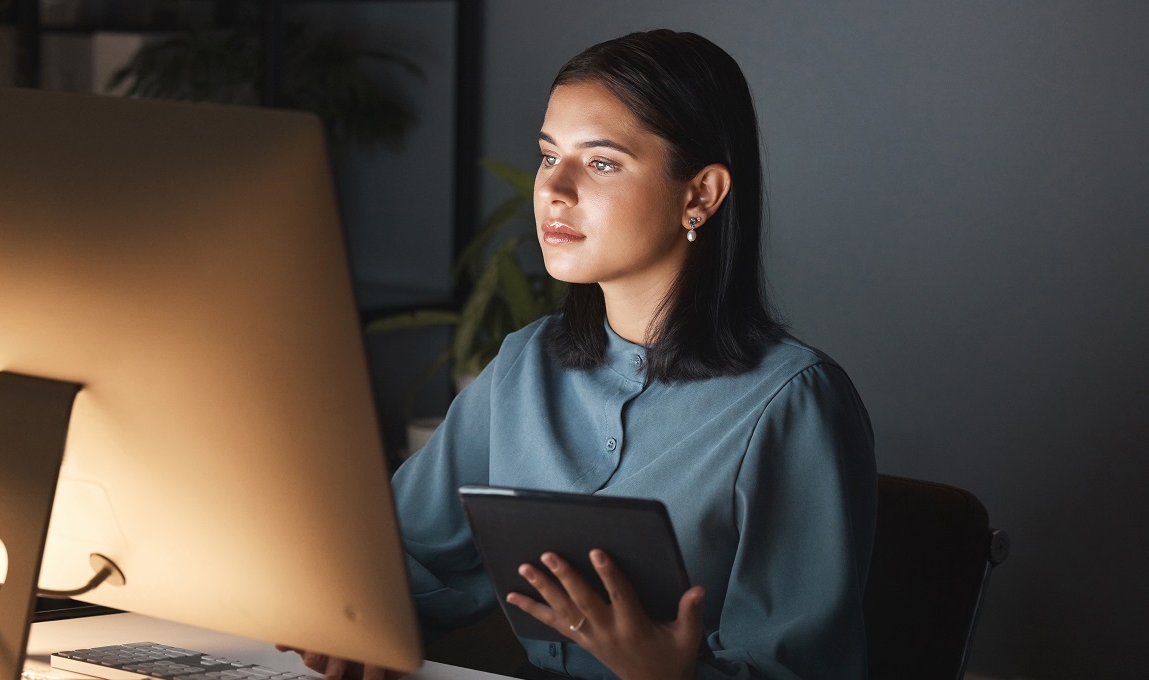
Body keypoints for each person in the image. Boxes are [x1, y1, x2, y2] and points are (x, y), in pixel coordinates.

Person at [286, 29, 876, 680]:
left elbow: (804, 667)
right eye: (547, 157)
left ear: (701, 195)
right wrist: (348, 613)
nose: (554, 191)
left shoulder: (793, 402)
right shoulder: (524, 365)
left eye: (601, 162)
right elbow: (400, 557)